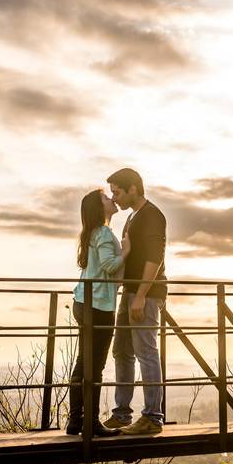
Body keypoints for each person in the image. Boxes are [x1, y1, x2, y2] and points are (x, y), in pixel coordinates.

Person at [103, 168, 167, 435]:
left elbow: (155, 257)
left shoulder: (152, 215)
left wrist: (141, 296)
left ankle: (153, 417)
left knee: (146, 352)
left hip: (145, 295)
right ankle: (122, 413)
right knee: (122, 351)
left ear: (133, 189)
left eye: (117, 192)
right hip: (130, 293)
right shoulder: (132, 217)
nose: (114, 197)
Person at [66, 189, 129, 437]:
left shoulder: (93, 232)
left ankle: (76, 421)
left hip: (83, 302)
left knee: (83, 364)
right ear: (98, 208)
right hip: (98, 306)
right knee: (95, 366)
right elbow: (109, 265)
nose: (112, 199)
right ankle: (90, 423)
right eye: (106, 198)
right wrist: (126, 250)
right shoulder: (102, 233)